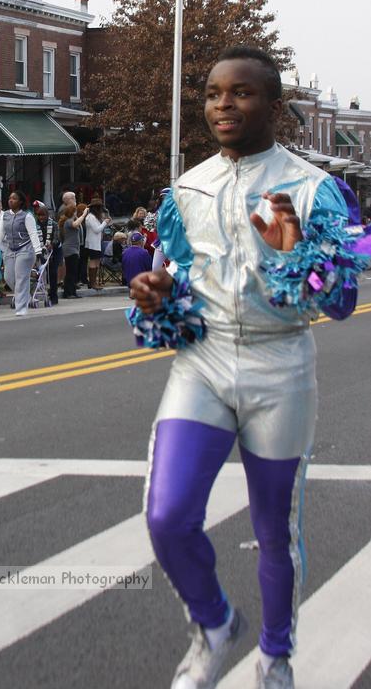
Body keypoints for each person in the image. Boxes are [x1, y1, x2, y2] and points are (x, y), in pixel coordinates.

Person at [130, 47, 359, 689]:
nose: (223, 105)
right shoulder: (187, 189)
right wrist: (158, 291)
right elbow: (177, 274)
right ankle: (212, 625)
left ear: (275, 107)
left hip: (278, 363)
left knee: (274, 529)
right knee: (168, 515)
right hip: (201, 363)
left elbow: (340, 300)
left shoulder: (316, 191)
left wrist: (293, 256)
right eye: (211, 94)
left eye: (241, 93)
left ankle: (276, 655)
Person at [0, 190, 43, 316]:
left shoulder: (27, 216)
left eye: (14, 198)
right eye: (9, 198)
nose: (10, 200)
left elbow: (33, 234)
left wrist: (38, 251)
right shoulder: (5, 215)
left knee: (21, 278)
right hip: (10, 249)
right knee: (8, 277)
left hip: (25, 249)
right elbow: (0, 232)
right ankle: (26, 296)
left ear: (20, 202)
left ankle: (21, 308)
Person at [58, 202, 88, 298]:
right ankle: (68, 292)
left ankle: (73, 291)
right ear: (72, 212)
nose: (76, 213)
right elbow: (76, 224)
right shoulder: (68, 221)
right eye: (75, 211)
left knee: (74, 272)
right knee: (71, 272)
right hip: (70, 249)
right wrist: (83, 214)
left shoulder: (71, 220)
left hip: (74, 249)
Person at [35, 204, 61, 304]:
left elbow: (57, 237)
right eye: (39, 215)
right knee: (40, 273)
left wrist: (52, 244)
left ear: (47, 215)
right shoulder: (35, 225)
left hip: (54, 251)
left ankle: (53, 295)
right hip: (41, 251)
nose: (41, 217)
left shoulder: (54, 224)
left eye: (43, 215)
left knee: (52, 273)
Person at [84, 198, 111, 291]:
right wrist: (104, 222)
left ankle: (94, 282)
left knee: (96, 263)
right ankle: (92, 282)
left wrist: (105, 222)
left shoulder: (94, 217)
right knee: (93, 262)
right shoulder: (90, 217)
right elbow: (97, 229)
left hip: (96, 242)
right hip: (92, 243)